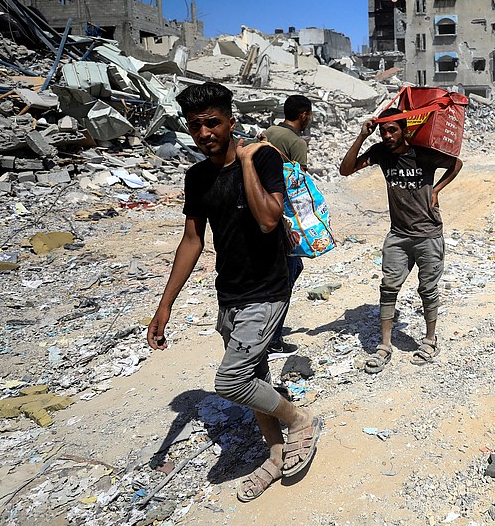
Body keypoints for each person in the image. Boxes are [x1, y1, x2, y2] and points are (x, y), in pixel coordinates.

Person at [148, 82, 322, 503]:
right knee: (255, 376)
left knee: (231, 380)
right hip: (230, 294)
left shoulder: (262, 157)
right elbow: (192, 241)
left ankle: (300, 420)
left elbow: (268, 219)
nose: (205, 132)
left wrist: (245, 162)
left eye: (212, 122)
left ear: (230, 121)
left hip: (267, 289)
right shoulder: (197, 177)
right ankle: (277, 455)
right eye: (195, 126)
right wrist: (164, 305)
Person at [339, 108, 463, 373]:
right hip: (398, 235)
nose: (387, 135)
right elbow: (345, 170)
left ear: (404, 130)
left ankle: (430, 339)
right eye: (384, 130)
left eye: (392, 129)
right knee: (388, 287)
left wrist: (436, 190)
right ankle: (384, 346)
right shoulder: (380, 153)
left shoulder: (422, 153)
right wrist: (362, 136)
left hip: (428, 234)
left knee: (427, 290)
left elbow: (456, 164)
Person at [260, 94, 313, 359]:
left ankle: (268, 330)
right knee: (287, 277)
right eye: (310, 115)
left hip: (263, 210)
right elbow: (298, 189)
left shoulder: (268, 133)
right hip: (285, 219)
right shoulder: (297, 143)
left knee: (290, 270)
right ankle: (273, 339)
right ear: (303, 114)